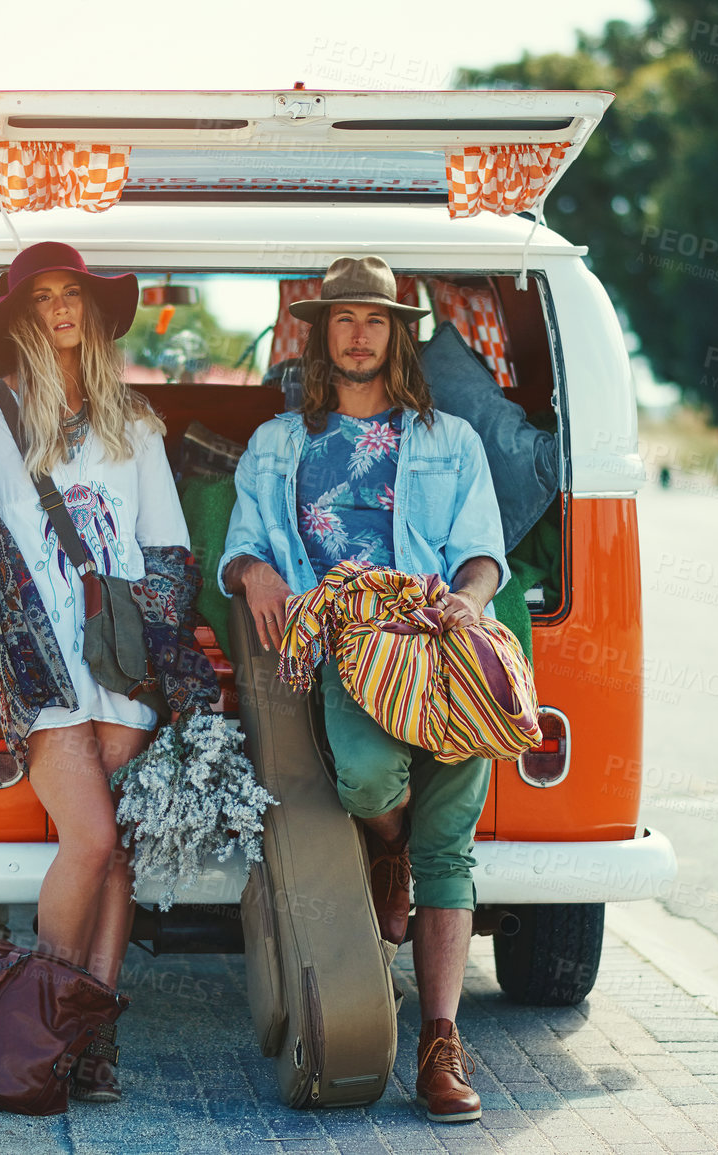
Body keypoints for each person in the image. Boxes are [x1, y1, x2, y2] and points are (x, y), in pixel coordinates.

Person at [0, 241, 217, 1104]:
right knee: (91, 838)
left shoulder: (132, 423)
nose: (61, 308)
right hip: (36, 654)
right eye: (44, 296)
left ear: (93, 315)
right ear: (24, 315)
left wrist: (160, 667)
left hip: (122, 657)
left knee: (120, 854)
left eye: (74, 296)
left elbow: (166, 550)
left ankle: (90, 1045)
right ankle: (40, 1019)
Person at [218, 256, 508, 1124]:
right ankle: (390, 846)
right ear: (319, 333)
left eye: (373, 320)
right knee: (370, 783)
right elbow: (235, 546)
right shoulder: (277, 443)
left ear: (396, 334)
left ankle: (439, 1045)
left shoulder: (450, 439)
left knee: (448, 848)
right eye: (342, 318)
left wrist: (466, 605)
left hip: (438, 640)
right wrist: (254, 570)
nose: (357, 333)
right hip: (349, 644)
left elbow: (481, 550)